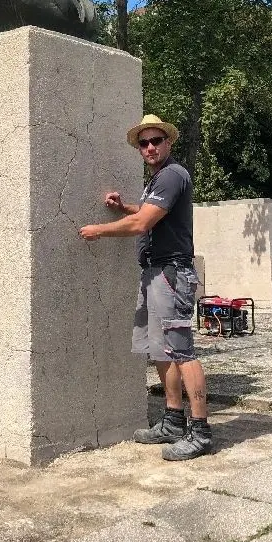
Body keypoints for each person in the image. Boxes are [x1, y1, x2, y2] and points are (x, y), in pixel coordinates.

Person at [79, 114, 211, 461]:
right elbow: (149, 212)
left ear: (169, 142)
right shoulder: (157, 181)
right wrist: (125, 206)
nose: (150, 147)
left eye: (156, 140)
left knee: (181, 350)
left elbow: (142, 224)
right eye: (144, 142)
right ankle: (171, 420)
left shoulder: (171, 174)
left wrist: (97, 230)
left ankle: (200, 431)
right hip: (155, 272)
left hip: (172, 273)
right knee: (160, 350)